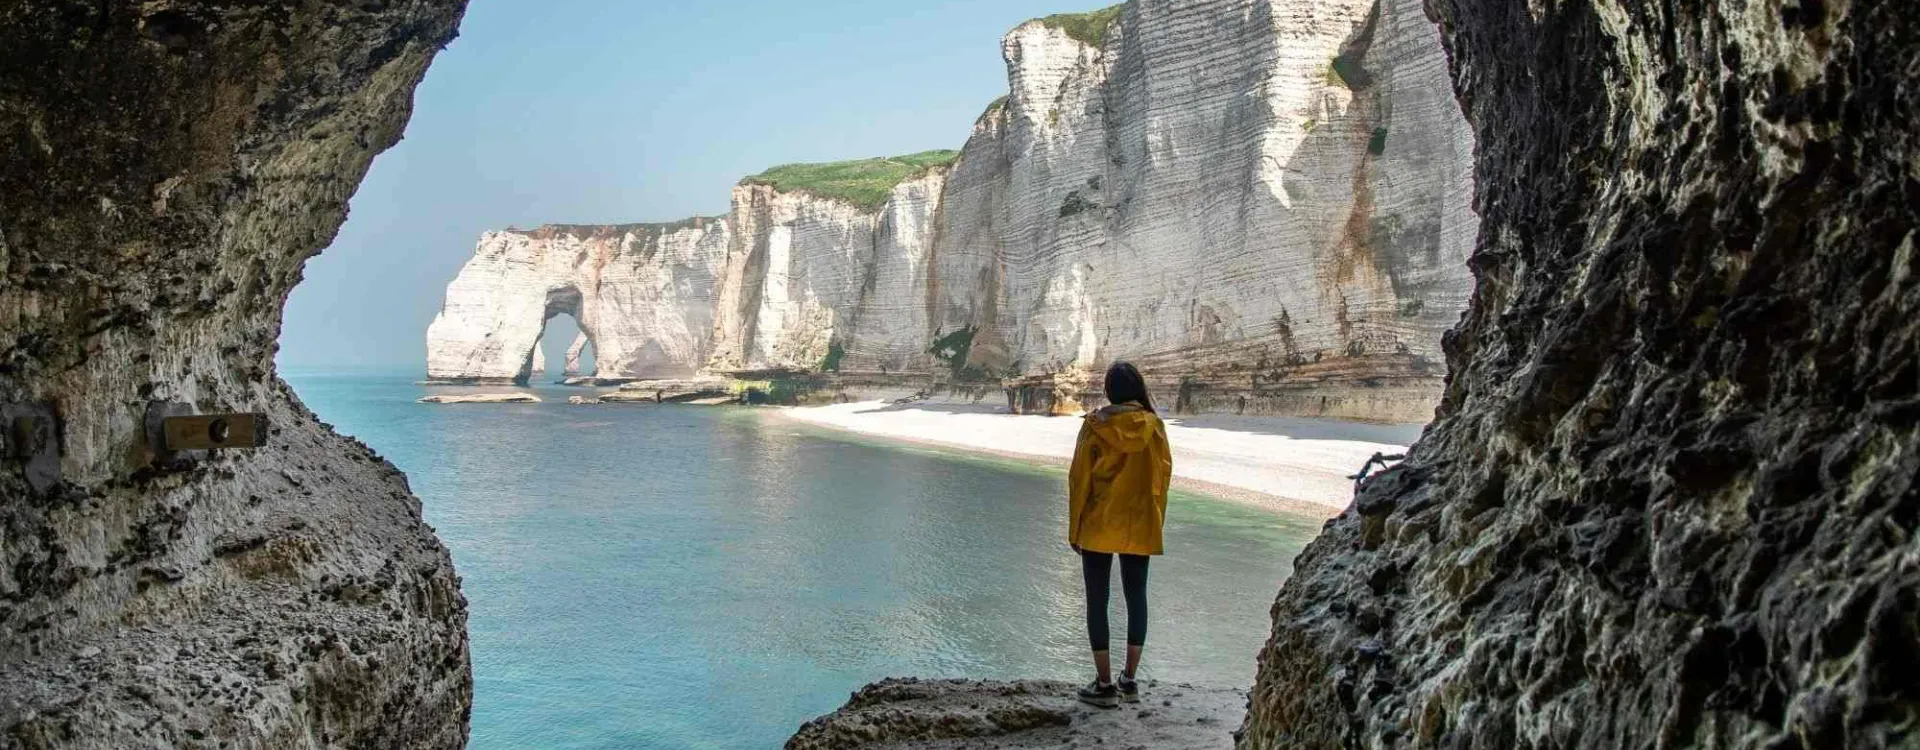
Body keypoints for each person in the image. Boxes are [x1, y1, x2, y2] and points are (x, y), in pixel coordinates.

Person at [1066, 361, 1171, 708]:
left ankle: (1104, 684)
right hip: (1140, 521)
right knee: (1136, 596)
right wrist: (1157, 520)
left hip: (1098, 522)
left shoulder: (1096, 426)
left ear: (1110, 391)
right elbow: (1162, 478)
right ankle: (1130, 679)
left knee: (1098, 600)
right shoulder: (1154, 426)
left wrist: (1075, 529)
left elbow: (1080, 480)